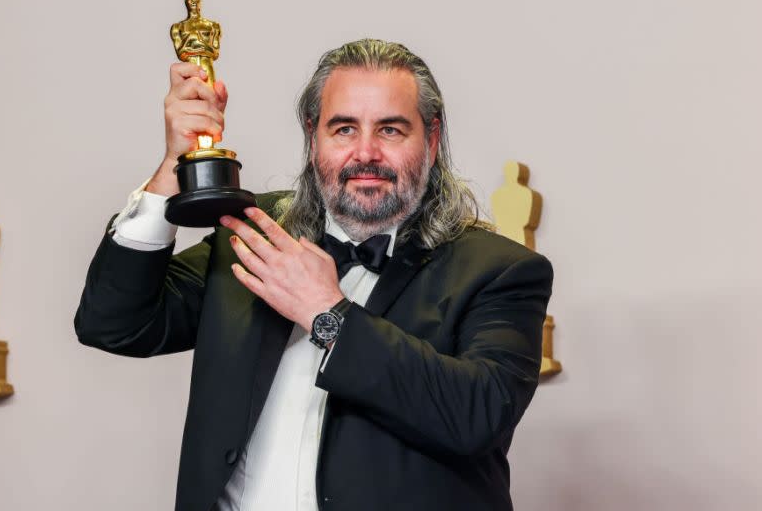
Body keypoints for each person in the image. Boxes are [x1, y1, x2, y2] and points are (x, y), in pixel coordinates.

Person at [75, 39, 553, 511]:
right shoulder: (253, 233)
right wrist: (169, 170)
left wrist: (330, 315)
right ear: (313, 136)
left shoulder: (501, 270)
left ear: (430, 139)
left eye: (390, 130)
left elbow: (477, 417)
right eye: (344, 128)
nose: (365, 152)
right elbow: (113, 322)